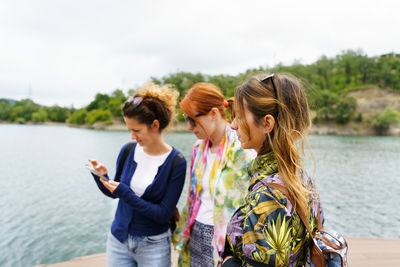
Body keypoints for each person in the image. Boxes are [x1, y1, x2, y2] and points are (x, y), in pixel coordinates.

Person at [221, 73, 324, 266]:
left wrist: (228, 261)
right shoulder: (302, 178)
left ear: (267, 123)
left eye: (240, 116)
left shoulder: (267, 194)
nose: (233, 125)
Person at [87, 82, 187, 267]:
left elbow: (163, 214)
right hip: (118, 240)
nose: (132, 136)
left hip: (154, 246)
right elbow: (114, 192)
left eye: (136, 130)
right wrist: (102, 177)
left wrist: (126, 193)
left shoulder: (176, 162)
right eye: (130, 130)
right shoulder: (128, 150)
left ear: (155, 125)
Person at [173, 83, 255, 267]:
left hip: (226, 240)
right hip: (195, 231)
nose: (188, 126)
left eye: (193, 119)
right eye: (186, 119)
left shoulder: (242, 149)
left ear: (214, 114)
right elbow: (194, 197)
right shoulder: (198, 148)